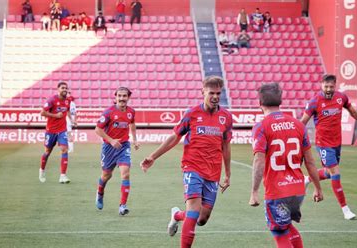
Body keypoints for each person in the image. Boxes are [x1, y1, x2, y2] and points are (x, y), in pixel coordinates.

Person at [140, 76, 232, 248]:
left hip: (213, 172)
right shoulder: (192, 114)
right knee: (194, 211)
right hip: (192, 167)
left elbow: (226, 146)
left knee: (202, 219)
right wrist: (153, 156)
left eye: (218, 93)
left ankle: (176, 216)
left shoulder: (226, 117)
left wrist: (227, 174)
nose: (215, 97)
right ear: (202, 92)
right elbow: (175, 137)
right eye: (211, 93)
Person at [249, 83, 323, 248]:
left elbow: (259, 160)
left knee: (280, 232)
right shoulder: (298, 125)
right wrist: (318, 188)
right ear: (280, 101)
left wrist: (254, 191)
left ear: (260, 103)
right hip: (297, 190)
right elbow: (310, 162)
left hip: (277, 191)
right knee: (287, 226)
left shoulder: (261, 127)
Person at [301, 74, 357, 220]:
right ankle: (345, 209)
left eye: (331, 86)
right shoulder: (314, 102)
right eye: (326, 86)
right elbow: (303, 122)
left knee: (329, 173)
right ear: (321, 85)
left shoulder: (341, 98)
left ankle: (307, 179)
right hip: (323, 144)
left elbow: (353, 112)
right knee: (335, 173)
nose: (328, 89)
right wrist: (296, 138)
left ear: (335, 86)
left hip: (337, 142)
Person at [95, 87, 139, 215]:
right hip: (109, 147)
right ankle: (100, 192)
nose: (122, 98)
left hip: (124, 146)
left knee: (125, 173)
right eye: (119, 96)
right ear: (115, 97)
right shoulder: (108, 112)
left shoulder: (131, 112)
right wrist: (111, 140)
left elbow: (132, 124)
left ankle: (122, 206)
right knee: (106, 175)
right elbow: (98, 130)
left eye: (124, 96)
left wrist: (135, 140)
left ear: (128, 97)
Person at [39, 81, 72, 184]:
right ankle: (42, 170)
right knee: (47, 152)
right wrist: (55, 116)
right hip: (51, 130)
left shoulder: (68, 101)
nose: (65, 90)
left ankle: (63, 175)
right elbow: (42, 112)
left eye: (66, 88)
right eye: (63, 88)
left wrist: (72, 120)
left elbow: (68, 110)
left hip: (62, 130)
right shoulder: (52, 100)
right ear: (58, 89)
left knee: (64, 149)